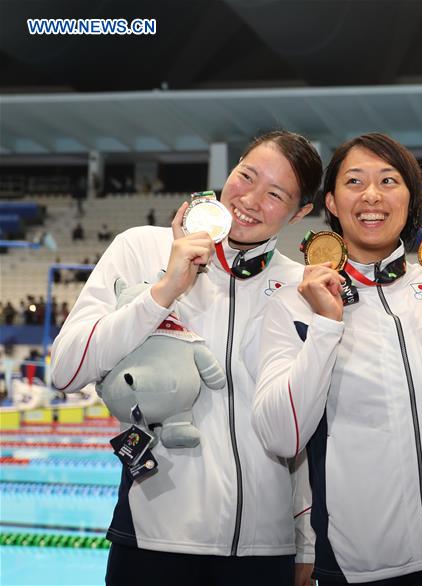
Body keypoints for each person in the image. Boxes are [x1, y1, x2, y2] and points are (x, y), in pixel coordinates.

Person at [50, 130, 323, 586]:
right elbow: (65, 370)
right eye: (246, 176)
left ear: (300, 213)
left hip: (262, 549)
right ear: (229, 172)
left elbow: (304, 427)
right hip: (153, 538)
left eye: (275, 194)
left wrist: (306, 539)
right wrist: (162, 294)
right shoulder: (141, 248)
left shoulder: (301, 290)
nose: (250, 200)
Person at [252, 133, 422, 584]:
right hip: (359, 568)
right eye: (355, 181)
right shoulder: (294, 306)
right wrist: (326, 326)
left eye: (389, 180)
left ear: (410, 199)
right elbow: (280, 435)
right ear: (331, 201)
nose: (372, 195)